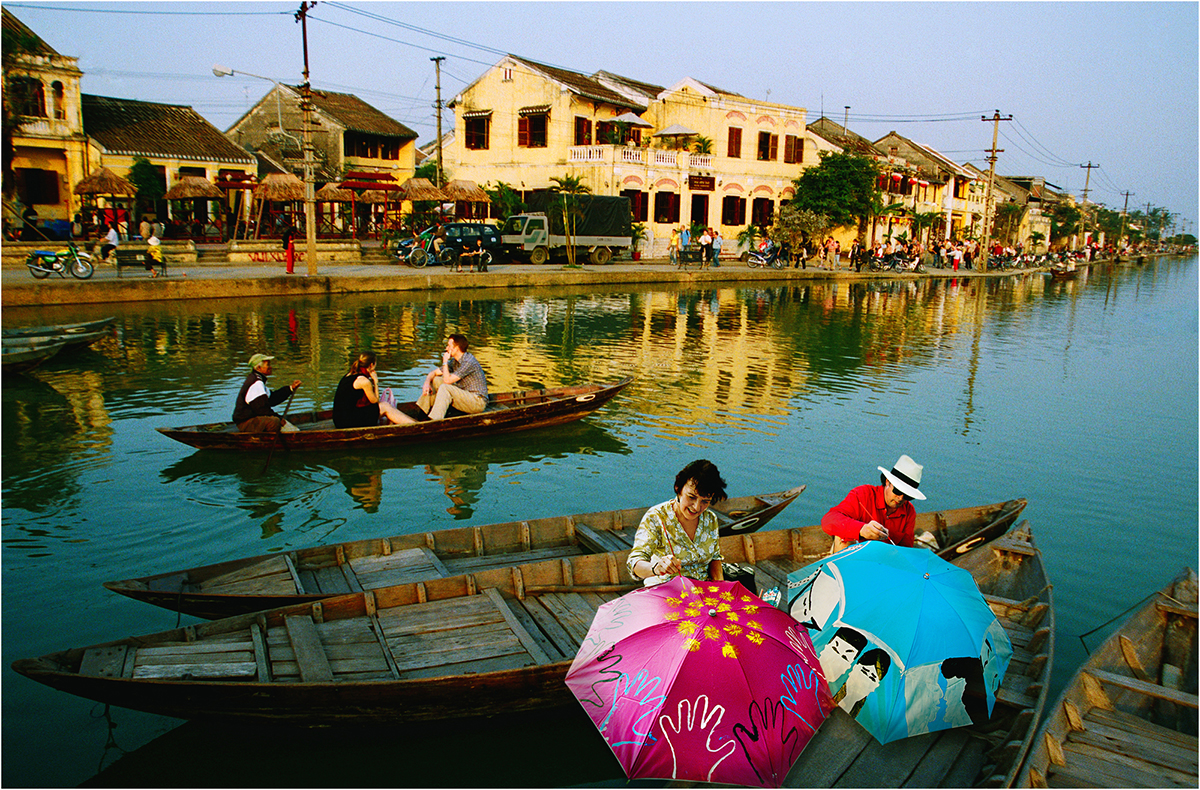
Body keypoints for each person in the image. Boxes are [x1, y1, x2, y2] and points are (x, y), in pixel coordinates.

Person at [626, 459, 727, 585]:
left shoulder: (710, 519)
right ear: (678, 489)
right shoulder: (657, 516)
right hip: (665, 592)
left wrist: (720, 585)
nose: (696, 507)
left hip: (703, 591)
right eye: (691, 497)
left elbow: (715, 558)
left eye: (705, 501)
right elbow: (635, 563)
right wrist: (656, 568)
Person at [822, 454, 926, 552]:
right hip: (854, 556)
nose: (900, 498)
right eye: (897, 491)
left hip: (884, 561)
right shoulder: (862, 494)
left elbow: (906, 548)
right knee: (842, 537)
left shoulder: (909, 510)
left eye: (907, 495)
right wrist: (861, 529)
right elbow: (828, 521)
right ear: (887, 482)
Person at [332, 351, 416, 428]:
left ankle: (414, 423)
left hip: (339, 419)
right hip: (347, 421)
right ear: (371, 365)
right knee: (385, 406)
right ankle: (415, 426)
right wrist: (375, 382)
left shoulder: (349, 374)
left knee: (384, 405)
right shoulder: (364, 381)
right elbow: (375, 401)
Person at [417, 334, 488, 420]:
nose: (446, 348)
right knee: (435, 380)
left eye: (449, 346)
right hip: (465, 395)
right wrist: (427, 383)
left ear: (456, 348)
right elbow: (434, 373)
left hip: (477, 402)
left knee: (445, 388)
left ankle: (434, 420)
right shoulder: (455, 361)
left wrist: (445, 362)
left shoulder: (468, 362)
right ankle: (422, 414)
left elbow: (447, 381)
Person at [232, 353, 302, 433]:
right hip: (246, 423)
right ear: (259, 368)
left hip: (252, 420)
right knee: (274, 422)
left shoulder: (258, 379)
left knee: (277, 420)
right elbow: (262, 409)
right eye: (268, 365)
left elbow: (273, 399)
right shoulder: (256, 383)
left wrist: (291, 388)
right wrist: (279, 419)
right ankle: (268, 442)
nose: (270, 367)